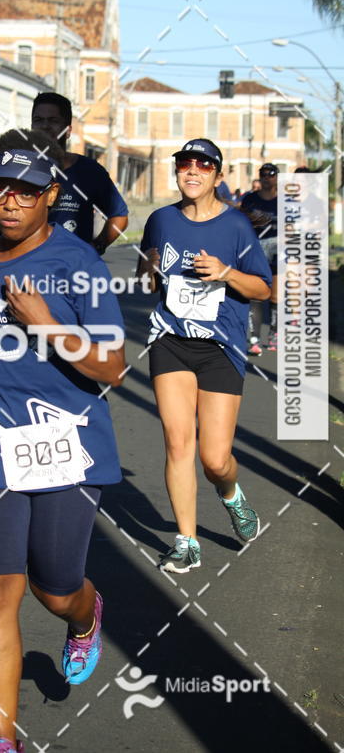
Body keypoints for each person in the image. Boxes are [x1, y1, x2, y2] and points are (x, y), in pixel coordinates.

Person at [0, 129, 125, 753]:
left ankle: (84, 617)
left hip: (64, 439)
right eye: (2, 190)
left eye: (26, 191)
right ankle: (2, 742)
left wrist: (46, 325)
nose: (11, 202)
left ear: (49, 196)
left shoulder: (79, 263)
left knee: (55, 588)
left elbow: (114, 368)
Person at [137, 138, 272, 573]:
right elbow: (146, 278)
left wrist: (226, 273)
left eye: (203, 165)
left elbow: (263, 289)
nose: (192, 171)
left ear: (218, 175)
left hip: (220, 347)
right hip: (170, 340)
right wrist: (147, 270)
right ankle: (187, 541)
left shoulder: (236, 227)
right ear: (177, 171)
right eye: (184, 164)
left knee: (215, 459)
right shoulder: (160, 220)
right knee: (178, 443)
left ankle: (231, 494)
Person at [31, 91, 128, 253]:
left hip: (73, 266)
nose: (45, 126)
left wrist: (96, 247)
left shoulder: (89, 171)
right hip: (27, 264)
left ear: (68, 130)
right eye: (38, 120)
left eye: (53, 121)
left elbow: (119, 217)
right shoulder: (18, 168)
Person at [240, 163, 279, 353]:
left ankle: (273, 334)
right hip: (256, 249)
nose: (266, 177)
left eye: (270, 174)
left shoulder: (285, 200)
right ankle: (254, 339)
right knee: (255, 294)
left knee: (275, 295)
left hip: (279, 250)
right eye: (263, 174)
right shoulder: (250, 199)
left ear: (277, 177)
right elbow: (240, 223)